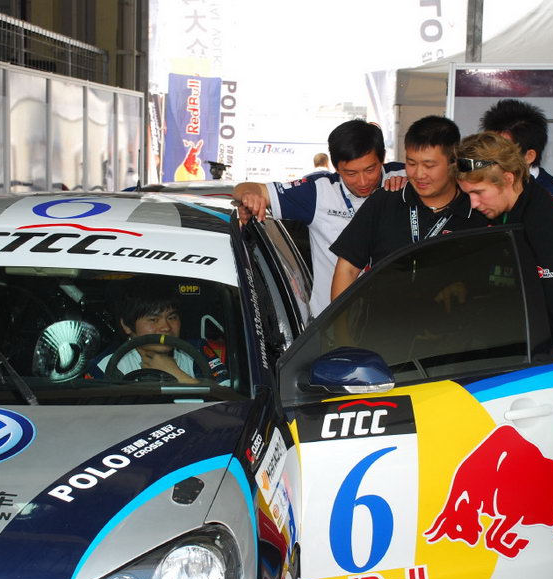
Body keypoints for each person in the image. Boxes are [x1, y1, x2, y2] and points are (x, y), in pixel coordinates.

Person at [454, 132, 553, 399]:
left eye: (478, 192)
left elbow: (548, 311)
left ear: (508, 178)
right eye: (468, 194)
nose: (473, 203)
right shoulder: (501, 210)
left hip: (551, 354)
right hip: (513, 347)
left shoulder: (544, 224)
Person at [233, 120, 404, 315]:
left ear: (382, 159)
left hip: (398, 318)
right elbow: (245, 188)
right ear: (335, 167)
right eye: (351, 173)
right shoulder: (318, 191)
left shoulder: (407, 177)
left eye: (370, 170)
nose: (363, 181)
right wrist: (250, 197)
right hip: (332, 319)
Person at [329, 116, 490, 300]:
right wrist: (339, 319)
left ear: (454, 162)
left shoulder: (477, 211)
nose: (419, 174)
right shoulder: (384, 201)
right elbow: (347, 269)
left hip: (450, 318)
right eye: (411, 163)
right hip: (381, 318)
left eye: (429, 165)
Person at [480, 99, 553, 280]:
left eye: (502, 152)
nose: (492, 159)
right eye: (489, 150)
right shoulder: (484, 189)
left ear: (529, 156)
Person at [88, 282, 229, 385]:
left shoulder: (197, 351)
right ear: (126, 326)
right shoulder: (104, 366)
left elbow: (228, 404)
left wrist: (176, 374)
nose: (166, 327)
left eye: (172, 318)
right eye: (153, 320)